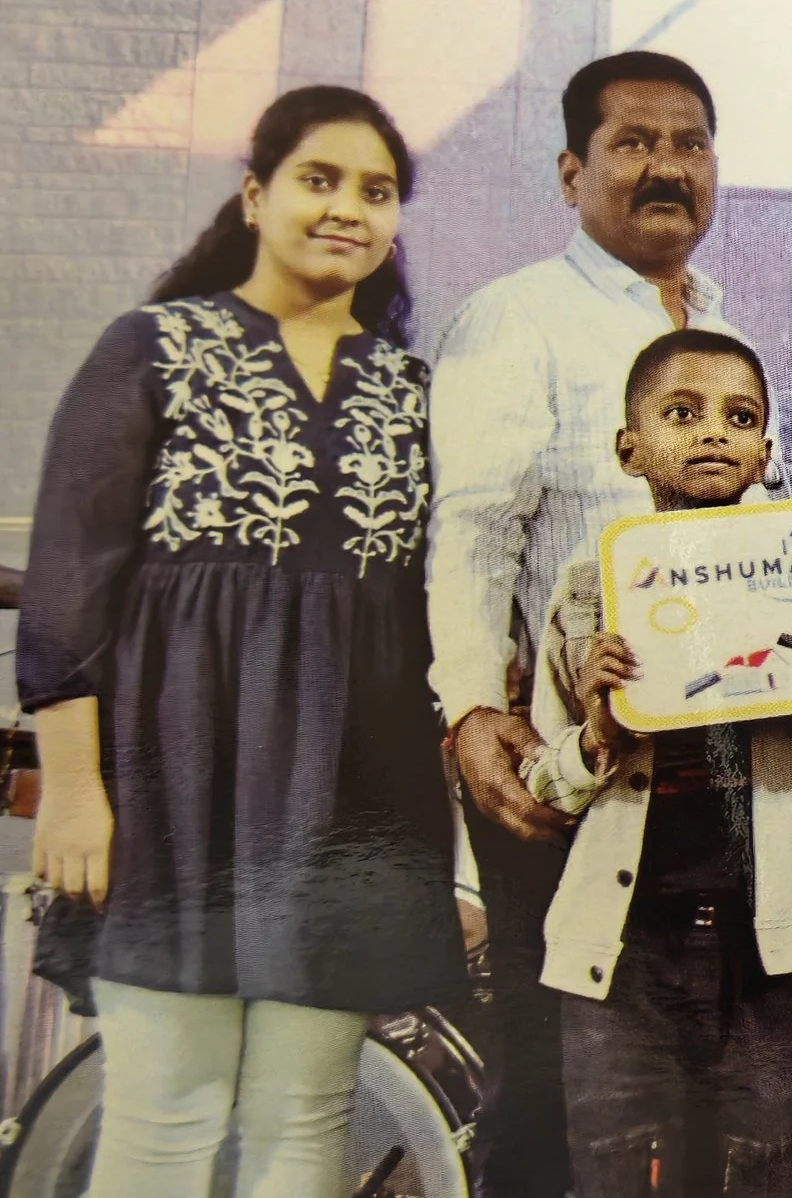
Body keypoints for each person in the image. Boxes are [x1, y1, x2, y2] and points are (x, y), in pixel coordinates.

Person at [17, 85, 466, 1196]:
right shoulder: (152, 350)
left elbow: (433, 618)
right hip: (174, 798)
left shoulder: (416, 394)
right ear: (257, 194)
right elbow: (69, 590)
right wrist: (75, 792)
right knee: (165, 1119)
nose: (347, 209)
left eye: (376, 191)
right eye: (320, 180)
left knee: (304, 1123)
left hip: (351, 806)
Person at [425, 49, 771, 1198]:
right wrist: (474, 710)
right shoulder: (514, 319)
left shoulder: (724, 327)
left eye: (689, 143)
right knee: (550, 1073)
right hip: (568, 766)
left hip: (714, 783)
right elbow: (469, 536)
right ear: (574, 171)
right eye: (633, 144)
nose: (665, 167)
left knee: (706, 1082)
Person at [519, 329, 792, 1196]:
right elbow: (546, 781)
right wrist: (600, 732)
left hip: (773, 939)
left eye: (739, 416)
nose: (712, 431)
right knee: (615, 1160)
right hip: (623, 943)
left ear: (764, 452)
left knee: (762, 1159)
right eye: (682, 414)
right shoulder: (589, 583)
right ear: (628, 445)